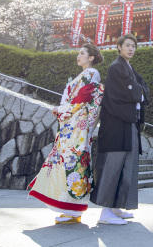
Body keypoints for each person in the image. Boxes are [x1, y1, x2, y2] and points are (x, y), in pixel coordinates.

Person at [28, 44, 104, 224]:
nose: (79, 56)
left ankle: (72, 209)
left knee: (74, 164)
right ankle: (69, 208)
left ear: (91, 57)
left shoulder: (91, 74)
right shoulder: (85, 75)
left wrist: (61, 109)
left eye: (82, 53)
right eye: (79, 53)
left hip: (77, 128)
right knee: (68, 164)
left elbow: (82, 99)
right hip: (73, 126)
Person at [90, 33, 150, 225]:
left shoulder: (128, 68)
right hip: (116, 125)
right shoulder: (116, 67)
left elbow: (142, 89)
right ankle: (105, 213)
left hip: (128, 122)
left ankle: (115, 207)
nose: (131, 49)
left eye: (133, 46)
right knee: (112, 165)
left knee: (126, 165)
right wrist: (137, 92)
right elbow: (132, 91)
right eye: (127, 45)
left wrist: (137, 91)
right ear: (119, 47)